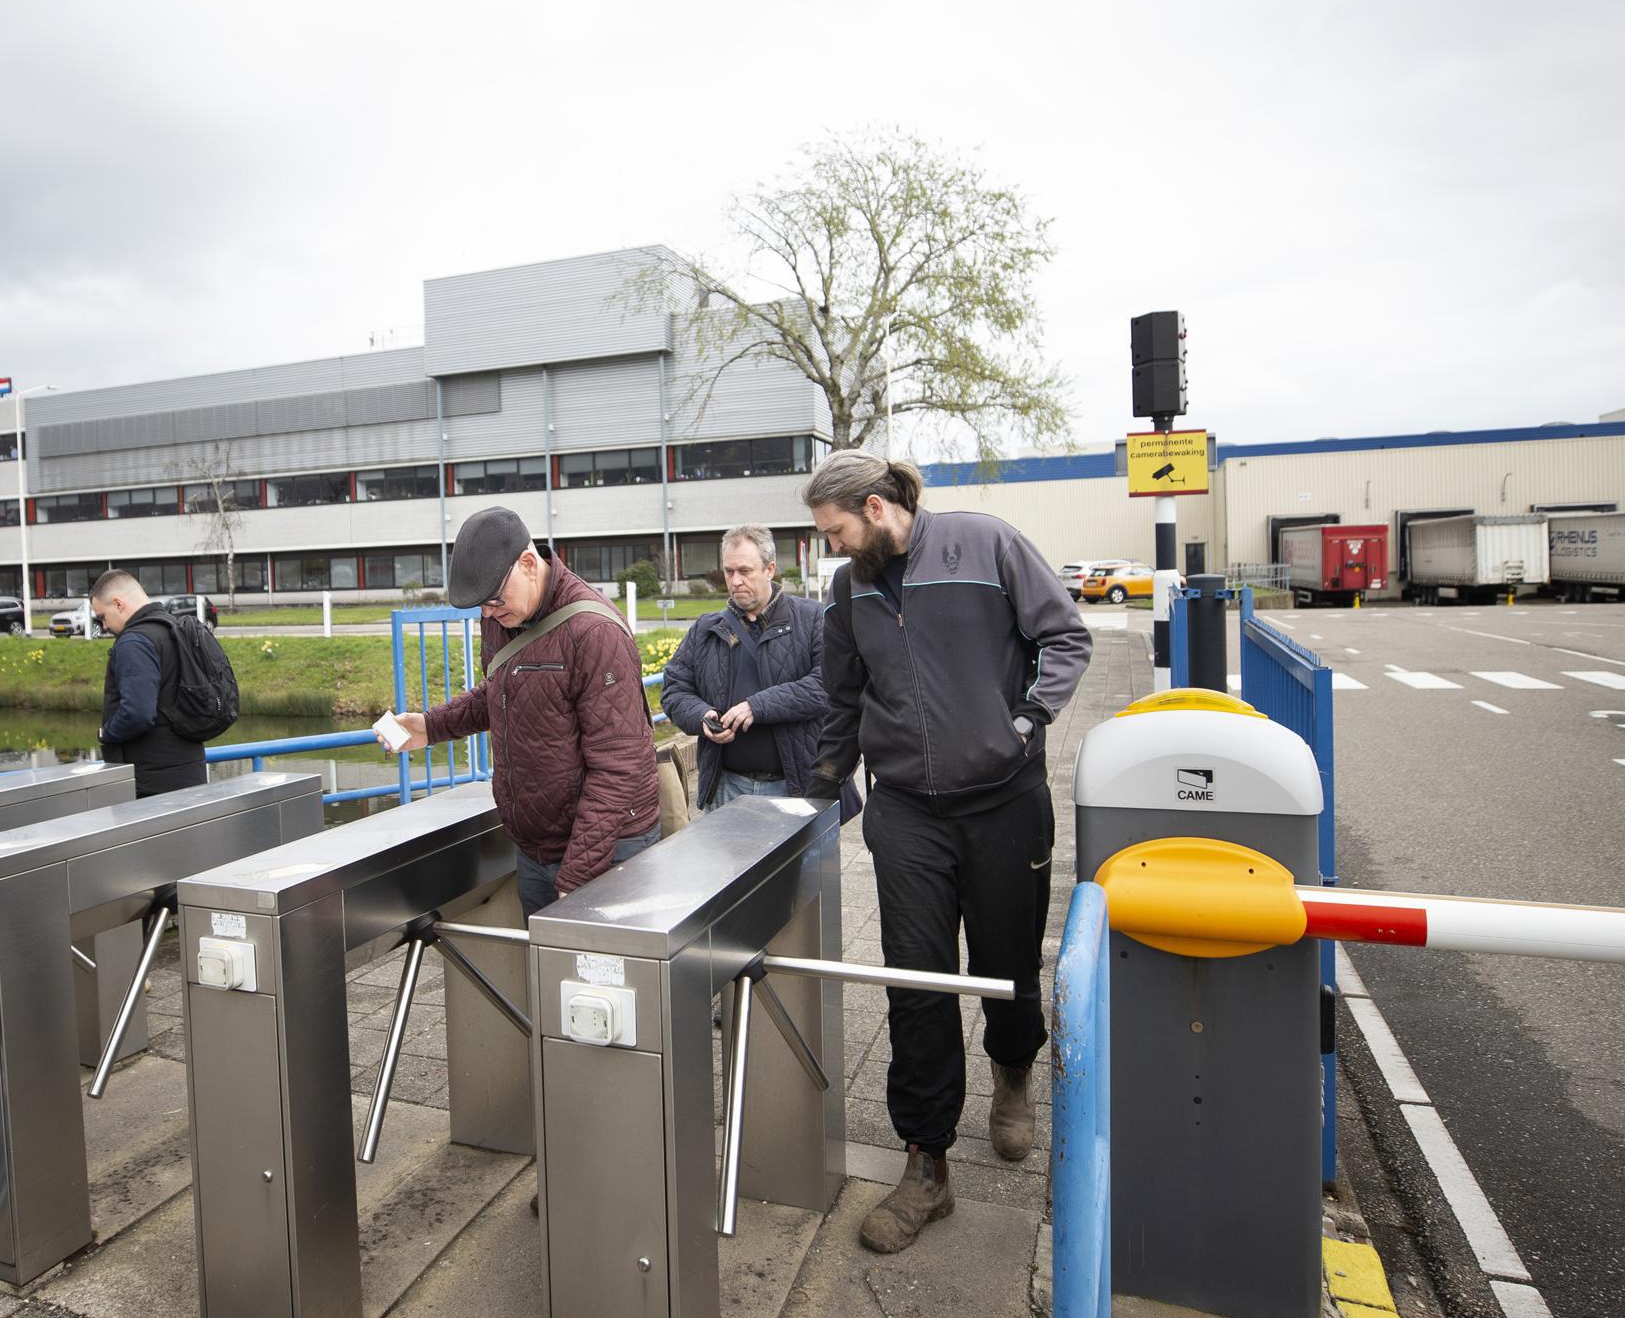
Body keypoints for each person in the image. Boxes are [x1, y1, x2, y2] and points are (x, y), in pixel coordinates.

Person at [798, 451, 1092, 1254]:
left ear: (875, 507)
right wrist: (827, 776)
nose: (832, 548)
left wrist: (1028, 721)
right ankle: (926, 1164)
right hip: (907, 815)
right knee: (916, 982)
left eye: (836, 532)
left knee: (1007, 964)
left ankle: (1012, 1072)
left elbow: (1065, 635)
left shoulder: (986, 545)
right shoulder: (849, 590)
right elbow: (845, 694)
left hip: (1004, 803)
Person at [376, 507, 660, 914]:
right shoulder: (502, 615)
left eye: (494, 599)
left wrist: (577, 875)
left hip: (608, 850)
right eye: (481, 605)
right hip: (535, 849)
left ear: (529, 564)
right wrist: (429, 727)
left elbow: (620, 765)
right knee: (545, 975)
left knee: (598, 975)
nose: (488, 613)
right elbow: (500, 692)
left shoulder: (595, 633)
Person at [659, 523, 852, 816]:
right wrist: (701, 716)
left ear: (769, 569)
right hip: (725, 787)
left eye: (745, 571)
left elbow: (826, 686)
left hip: (794, 786)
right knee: (727, 864)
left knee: (796, 865)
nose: (735, 581)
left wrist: (757, 706)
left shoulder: (813, 618)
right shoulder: (705, 629)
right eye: (729, 571)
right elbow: (675, 690)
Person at [92, 571, 231, 795]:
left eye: (102, 617)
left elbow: (138, 713)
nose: (104, 626)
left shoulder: (133, 642)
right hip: (189, 770)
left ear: (118, 604)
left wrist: (106, 733)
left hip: (150, 781)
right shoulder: (174, 628)